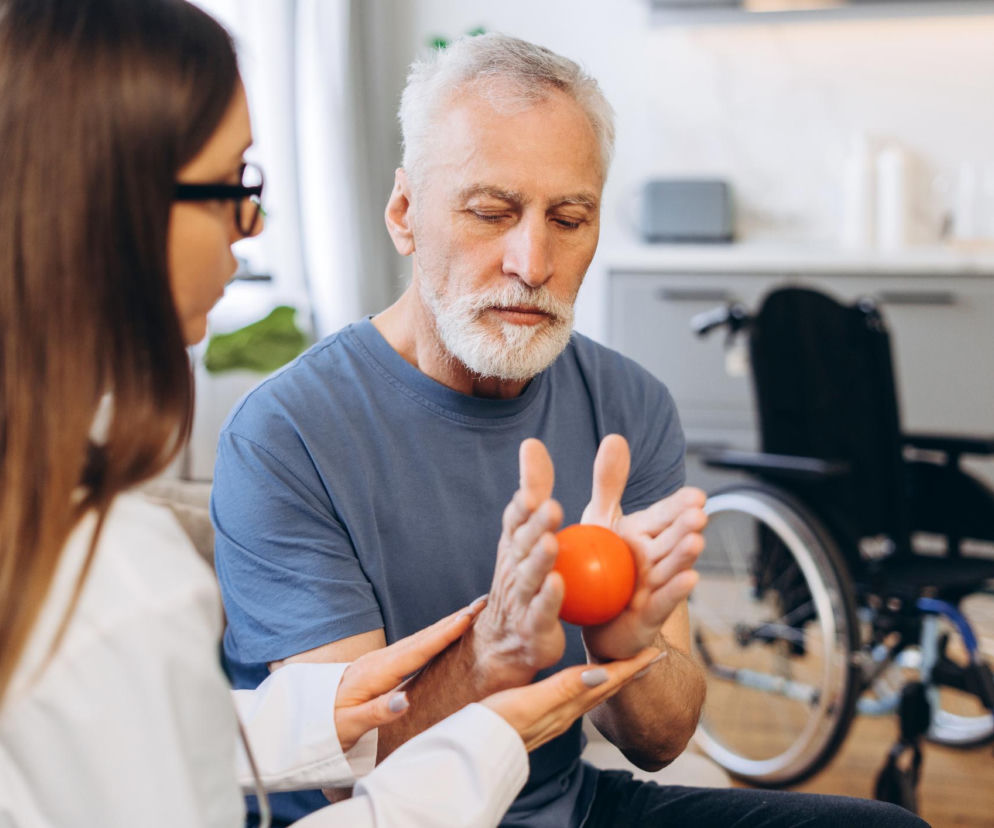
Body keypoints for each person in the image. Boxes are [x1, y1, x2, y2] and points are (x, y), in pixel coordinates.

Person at [212, 32, 930, 828]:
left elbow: (662, 739)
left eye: (569, 217)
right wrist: (490, 651)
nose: (532, 258)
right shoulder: (286, 434)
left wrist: (627, 644)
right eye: (491, 212)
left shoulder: (629, 403)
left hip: (569, 807)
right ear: (405, 213)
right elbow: (346, 778)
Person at [0, 3, 664, 826]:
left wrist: (309, 718)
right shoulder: (123, 582)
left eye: (569, 218)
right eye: (234, 186)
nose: (251, 228)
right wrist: (482, 733)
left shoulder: (72, 555)